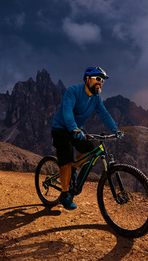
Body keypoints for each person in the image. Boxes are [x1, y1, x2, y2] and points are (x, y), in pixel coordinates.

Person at [50, 66, 122, 210]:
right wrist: (74, 128)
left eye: (102, 81)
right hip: (61, 128)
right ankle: (64, 195)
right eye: (98, 79)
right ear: (87, 79)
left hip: (76, 128)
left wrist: (115, 129)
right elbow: (67, 111)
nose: (100, 83)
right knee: (66, 156)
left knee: (89, 148)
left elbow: (104, 114)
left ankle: (73, 168)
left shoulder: (95, 98)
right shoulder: (73, 91)